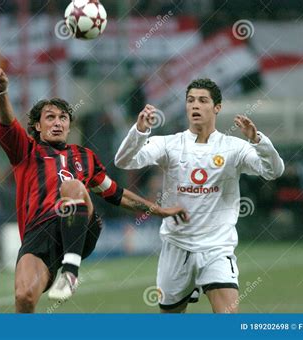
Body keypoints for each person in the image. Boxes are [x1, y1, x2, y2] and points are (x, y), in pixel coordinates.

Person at [0, 68, 188, 313]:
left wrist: (160, 211)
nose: (58, 122)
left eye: (63, 117)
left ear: (70, 126)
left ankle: (70, 271)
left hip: (80, 225)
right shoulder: (25, 151)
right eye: (50, 117)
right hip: (38, 236)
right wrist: (1, 92)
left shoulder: (85, 157)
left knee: (72, 186)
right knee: (24, 297)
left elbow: (116, 193)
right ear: (37, 126)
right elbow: (8, 121)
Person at [114, 78, 285, 313]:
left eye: (203, 100)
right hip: (176, 246)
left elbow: (274, 171)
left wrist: (258, 141)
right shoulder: (168, 144)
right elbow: (123, 161)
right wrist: (140, 131)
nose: (195, 105)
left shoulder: (234, 147)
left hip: (217, 247)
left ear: (217, 107)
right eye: (190, 100)